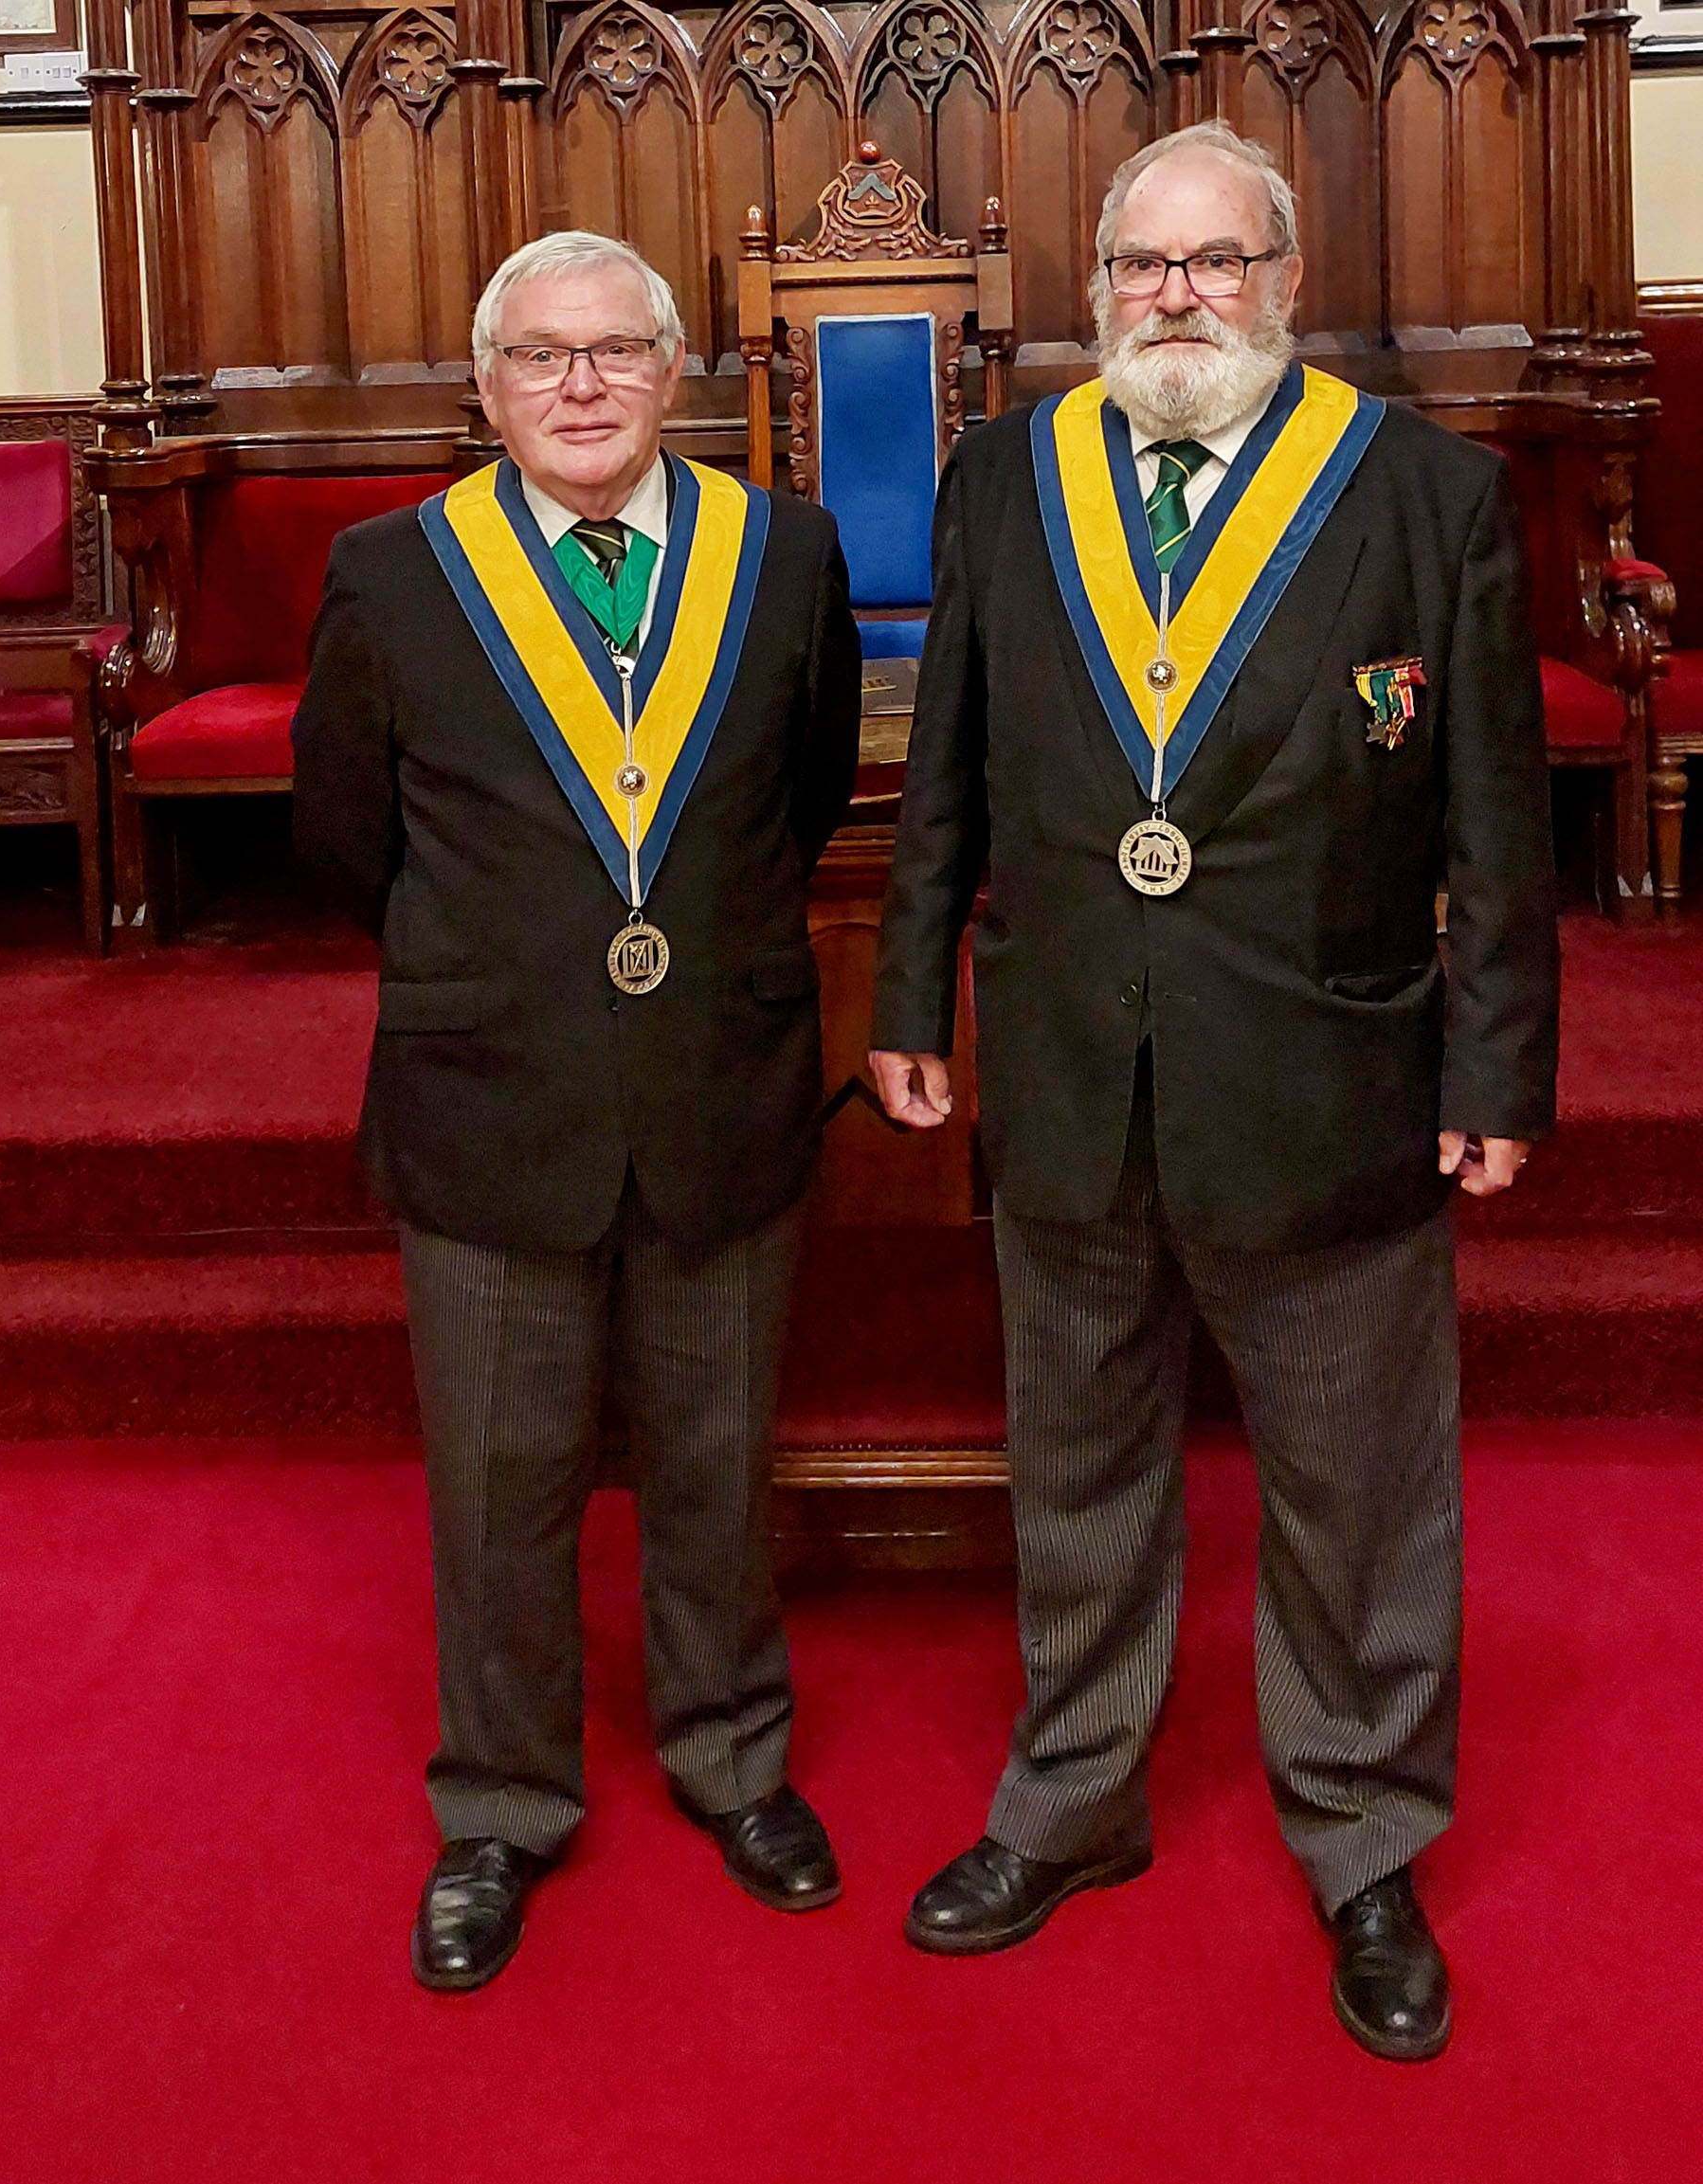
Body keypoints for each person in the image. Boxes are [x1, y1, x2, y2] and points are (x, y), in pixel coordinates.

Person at [870, 121, 1558, 2062]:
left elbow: (1494, 808)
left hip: (1331, 1068)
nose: (1180, 297)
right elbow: (952, 772)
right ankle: (1070, 1798)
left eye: (1217, 261)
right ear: (1100, 292)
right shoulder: (1012, 471)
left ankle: (1362, 1832)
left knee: (1355, 1489)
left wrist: (1499, 1054)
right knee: (1078, 1464)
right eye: (1144, 267)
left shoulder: (1422, 490)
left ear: (1286, 275)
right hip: (1076, 1065)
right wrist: (913, 988)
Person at [293, 231, 861, 1991]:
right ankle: (503, 1800)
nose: (583, 384)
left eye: (616, 351)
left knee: (716, 1452)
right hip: (490, 1087)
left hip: (718, 1074)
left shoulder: (785, 552)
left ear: (676, 370)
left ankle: (734, 1755)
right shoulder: (391, 574)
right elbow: (340, 839)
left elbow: (812, 782)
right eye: (541, 359)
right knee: (498, 1478)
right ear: (488, 391)